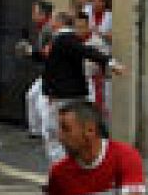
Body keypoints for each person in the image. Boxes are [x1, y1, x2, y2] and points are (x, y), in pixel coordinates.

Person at [36, 11, 124, 164]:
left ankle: (62, 166)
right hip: (69, 94)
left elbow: (86, 52)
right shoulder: (64, 40)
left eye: (54, 20)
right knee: (64, 131)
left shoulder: (64, 39)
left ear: (59, 22)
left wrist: (110, 62)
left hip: (64, 96)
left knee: (55, 132)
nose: (51, 23)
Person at [25, 0, 54, 138]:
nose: (33, 16)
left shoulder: (49, 29)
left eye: (36, 13)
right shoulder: (43, 27)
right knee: (31, 96)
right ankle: (35, 130)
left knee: (42, 103)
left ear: (43, 14)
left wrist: (31, 51)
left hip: (52, 74)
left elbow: (46, 54)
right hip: (46, 73)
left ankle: (46, 133)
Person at [75, 12, 110, 118]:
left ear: (87, 26)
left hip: (94, 82)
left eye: (81, 27)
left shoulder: (97, 42)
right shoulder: (73, 42)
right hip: (78, 83)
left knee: (95, 114)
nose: (79, 30)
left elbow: (105, 62)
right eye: (77, 27)